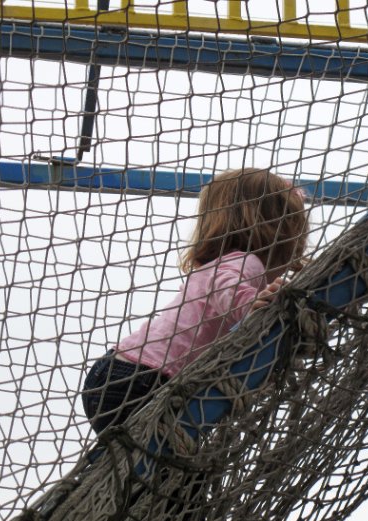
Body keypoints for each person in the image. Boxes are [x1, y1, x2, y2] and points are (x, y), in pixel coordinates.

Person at [81, 167, 309, 435]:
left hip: (119, 376)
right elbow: (227, 289)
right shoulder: (246, 262)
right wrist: (252, 305)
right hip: (143, 379)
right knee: (176, 466)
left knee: (155, 468)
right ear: (280, 231)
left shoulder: (220, 264)